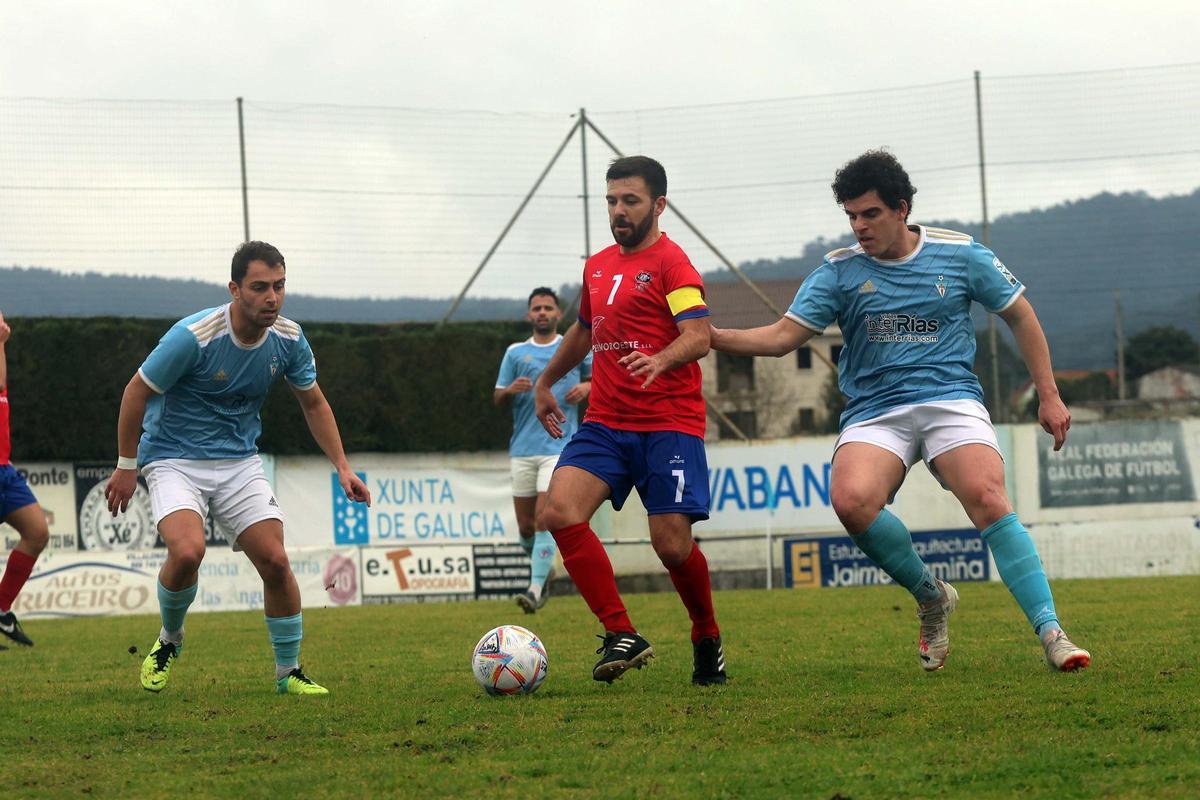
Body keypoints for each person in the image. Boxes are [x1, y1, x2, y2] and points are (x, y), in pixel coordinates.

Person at [710, 150, 1090, 673]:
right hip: (875, 410)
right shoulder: (839, 272)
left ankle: (1053, 633)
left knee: (987, 496)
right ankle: (931, 595)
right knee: (851, 501)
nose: (859, 226)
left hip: (949, 399)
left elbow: (1020, 314)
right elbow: (782, 338)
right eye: (851, 216)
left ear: (902, 209)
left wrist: (1049, 393)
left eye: (869, 214)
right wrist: (707, 337)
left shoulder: (961, 255)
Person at [104, 241, 371, 695]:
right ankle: (170, 640)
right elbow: (136, 391)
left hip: (239, 462)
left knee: (276, 561)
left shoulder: (289, 338)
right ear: (235, 289)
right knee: (187, 553)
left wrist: (343, 467)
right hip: (173, 458)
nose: (272, 297)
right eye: (260, 287)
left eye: (280, 286)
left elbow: (314, 403)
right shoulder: (193, 336)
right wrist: (127, 465)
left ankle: (288, 674)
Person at [535, 155, 726, 686]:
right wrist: (548, 382)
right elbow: (583, 330)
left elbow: (699, 335)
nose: (619, 211)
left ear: (659, 205)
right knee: (560, 511)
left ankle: (706, 634)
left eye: (631, 201)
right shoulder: (596, 266)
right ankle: (621, 631)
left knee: (671, 547)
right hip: (606, 424)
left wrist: (662, 358)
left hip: (669, 424)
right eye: (612, 201)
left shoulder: (674, 265)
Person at [494, 287, 591, 613]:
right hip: (522, 449)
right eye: (536, 308)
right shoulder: (515, 352)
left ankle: (535, 590)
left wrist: (588, 386)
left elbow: (603, 378)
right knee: (525, 528)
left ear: (558, 314)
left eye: (548, 308)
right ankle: (542, 567)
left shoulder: (572, 346)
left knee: (543, 519)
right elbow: (496, 397)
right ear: (528, 315)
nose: (542, 313)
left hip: (561, 445)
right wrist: (509, 390)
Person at [0, 311, 51, 648]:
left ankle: (1, 611)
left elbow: (1, 386)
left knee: (37, 532)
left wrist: (1, 343)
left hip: (4, 470)